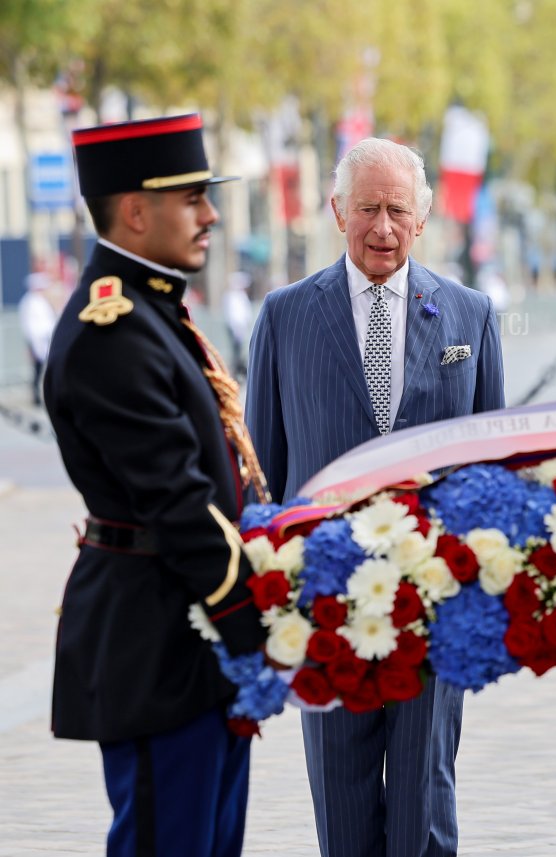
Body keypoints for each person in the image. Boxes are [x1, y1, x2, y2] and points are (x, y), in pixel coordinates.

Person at [245, 137, 505, 857]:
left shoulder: (471, 315)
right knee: (343, 802)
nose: (382, 228)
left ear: (422, 218)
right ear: (337, 211)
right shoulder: (285, 315)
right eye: (367, 209)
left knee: (426, 805)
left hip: (435, 606)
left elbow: (495, 476)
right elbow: (262, 472)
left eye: (397, 210)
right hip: (323, 602)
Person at [43, 113, 269, 856]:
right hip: (159, 646)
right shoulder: (114, 330)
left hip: (193, 643)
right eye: (192, 199)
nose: (209, 215)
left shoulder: (151, 312)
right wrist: (259, 622)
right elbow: (177, 500)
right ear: (136, 211)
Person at [17, 265, 59, 405]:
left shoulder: (39, 301)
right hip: (38, 341)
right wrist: (34, 344)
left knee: (43, 370)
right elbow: (32, 326)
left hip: (45, 340)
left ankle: (44, 395)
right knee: (38, 370)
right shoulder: (30, 302)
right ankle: (37, 396)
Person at [223, 270, 253, 380]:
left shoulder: (241, 296)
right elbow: (233, 316)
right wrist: (236, 330)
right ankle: (236, 373)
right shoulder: (232, 297)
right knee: (236, 353)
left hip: (242, 329)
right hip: (236, 329)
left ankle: (239, 372)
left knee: (240, 352)